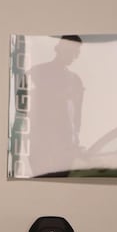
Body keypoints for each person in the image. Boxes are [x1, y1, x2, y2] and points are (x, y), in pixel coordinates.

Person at [26, 35, 84, 176]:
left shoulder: (75, 80)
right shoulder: (36, 72)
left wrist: (75, 140)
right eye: (71, 50)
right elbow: (21, 106)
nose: (74, 56)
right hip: (41, 143)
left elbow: (77, 115)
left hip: (65, 145)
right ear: (59, 49)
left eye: (76, 52)